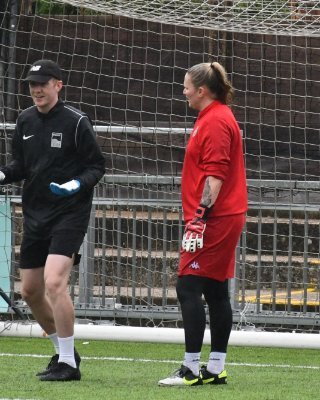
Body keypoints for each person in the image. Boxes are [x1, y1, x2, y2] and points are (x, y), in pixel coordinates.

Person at [0, 59, 105, 382]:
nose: (36, 89)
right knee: (31, 290)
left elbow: (96, 167)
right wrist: (1, 174)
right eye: (32, 84)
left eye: (43, 83)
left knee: (55, 282)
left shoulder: (76, 122)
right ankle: (64, 353)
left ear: (58, 85)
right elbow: (21, 165)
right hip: (36, 214)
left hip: (69, 213)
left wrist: (76, 184)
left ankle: (70, 365)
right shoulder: (26, 120)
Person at [158, 62, 247, 387]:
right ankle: (215, 367)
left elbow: (216, 173)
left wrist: (198, 219)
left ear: (202, 90)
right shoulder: (213, 117)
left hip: (215, 218)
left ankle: (191, 369)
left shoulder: (216, 120)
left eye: (186, 87)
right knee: (215, 289)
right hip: (222, 216)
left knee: (188, 286)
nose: (183, 92)